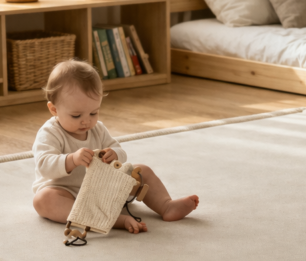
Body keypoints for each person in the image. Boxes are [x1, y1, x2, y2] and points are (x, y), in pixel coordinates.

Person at [31, 59, 198, 233]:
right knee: (43, 200)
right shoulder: (49, 133)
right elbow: (44, 165)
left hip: (103, 189)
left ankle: (166, 205)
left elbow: (119, 150)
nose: (86, 120)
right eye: (76, 115)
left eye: (93, 112)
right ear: (54, 110)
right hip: (66, 193)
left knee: (142, 171)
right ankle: (110, 220)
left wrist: (114, 154)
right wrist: (72, 159)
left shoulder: (97, 129)